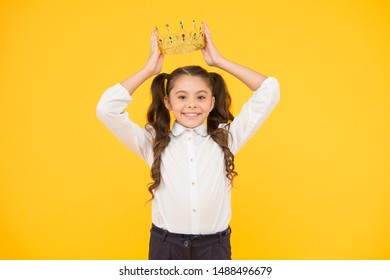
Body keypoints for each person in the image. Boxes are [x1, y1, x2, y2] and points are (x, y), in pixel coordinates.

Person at [96, 22, 280, 260]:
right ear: (168, 102)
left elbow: (270, 90)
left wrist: (220, 61)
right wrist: (148, 70)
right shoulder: (153, 140)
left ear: (212, 103)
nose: (192, 104)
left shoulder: (226, 136)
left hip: (214, 247)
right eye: (182, 97)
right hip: (166, 247)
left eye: (201, 97)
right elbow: (106, 109)